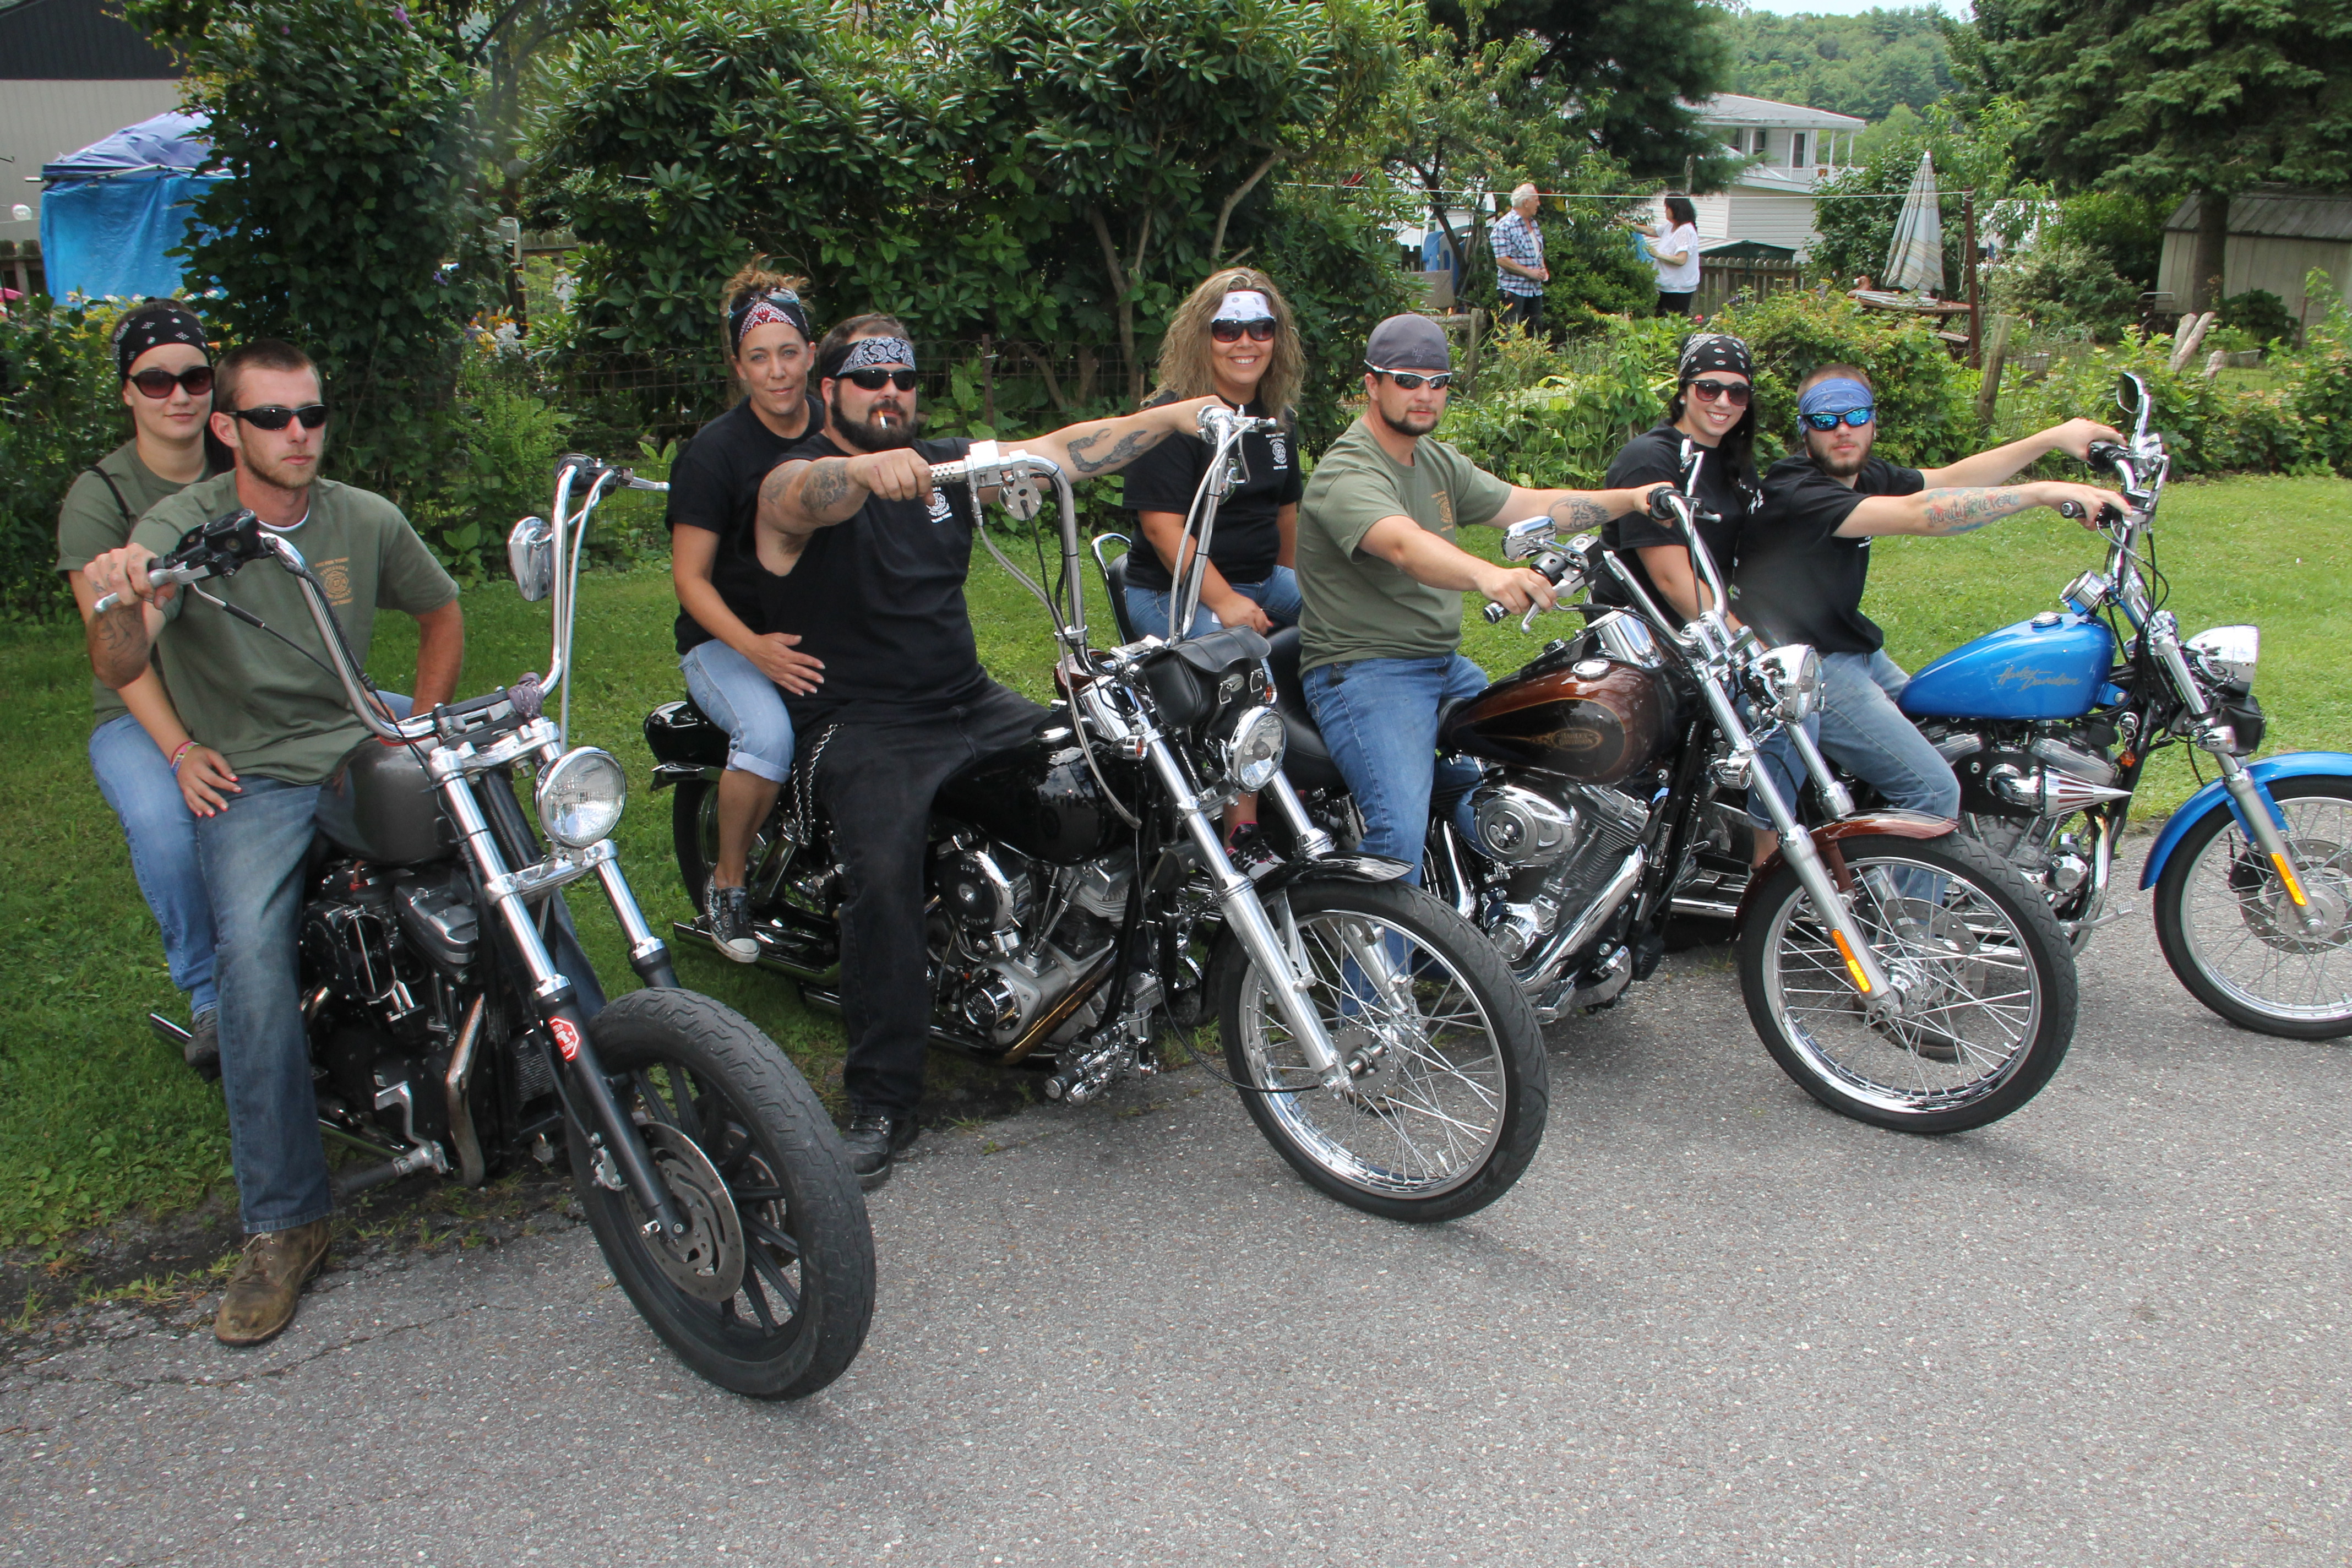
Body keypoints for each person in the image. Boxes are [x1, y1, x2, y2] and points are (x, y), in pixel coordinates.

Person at [753, 318, 1224, 1186]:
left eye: (902, 378)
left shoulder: (943, 467)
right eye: (867, 379)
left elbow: (1063, 452)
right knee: (882, 879)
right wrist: (861, 472)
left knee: (1114, 775)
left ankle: (1113, 990)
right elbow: (795, 499)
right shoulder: (800, 472)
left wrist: (1175, 416)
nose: (889, 393)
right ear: (828, 391)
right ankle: (882, 1098)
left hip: (966, 699)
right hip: (864, 723)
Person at [83, 339, 463, 1348]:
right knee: (249, 956)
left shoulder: (362, 516)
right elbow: (120, 659)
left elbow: (440, 612)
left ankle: (607, 1084)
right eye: (270, 417)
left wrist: (417, 730)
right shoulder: (177, 526)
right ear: (227, 429)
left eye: (311, 413)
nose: (297, 432)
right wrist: (123, 608)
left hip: (358, 736)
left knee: (501, 848)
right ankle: (288, 1221)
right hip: (252, 770)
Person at [1293, 314, 1668, 881]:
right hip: (1367, 670)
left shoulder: (1435, 461)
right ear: (1372, 383)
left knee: (1538, 767)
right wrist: (1487, 576)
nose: (1424, 395)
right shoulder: (1347, 471)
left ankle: (1498, 908)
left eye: (1438, 382)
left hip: (1441, 665)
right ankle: (1374, 942)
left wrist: (1633, 499)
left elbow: (1528, 505)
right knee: (1396, 837)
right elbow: (1404, 546)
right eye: (1407, 381)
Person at [1736, 363, 2126, 859]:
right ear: (1804, 428)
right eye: (1825, 419)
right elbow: (1922, 515)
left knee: (1956, 734)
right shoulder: (1797, 489)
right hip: (1808, 667)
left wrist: (2051, 438)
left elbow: (1950, 481)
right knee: (1933, 792)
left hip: (1850, 649)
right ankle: (1908, 907)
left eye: (1856, 415)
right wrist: (2041, 493)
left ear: (1873, 421)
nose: (1842, 430)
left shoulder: (1862, 475)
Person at [55, 301, 228, 1071]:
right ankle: (210, 994)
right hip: (143, 708)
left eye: (195, 377)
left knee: (410, 750)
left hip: (244, 689)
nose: (179, 395)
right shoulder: (100, 497)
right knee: (166, 821)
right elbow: (119, 660)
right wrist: (181, 750)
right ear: (127, 391)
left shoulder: (246, 462)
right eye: (156, 381)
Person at [667, 264, 827, 961]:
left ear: (812, 354)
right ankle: (728, 883)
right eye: (759, 358)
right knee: (767, 737)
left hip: (818, 627)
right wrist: (755, 647)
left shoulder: (838, 429)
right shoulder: (714, 454)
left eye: (789, 352)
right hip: (725, 641)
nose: (778, 371)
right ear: (738, 367)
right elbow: (690, 580)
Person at [1120, 266, 1307, 852]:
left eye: (1260, 328)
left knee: (1353, 620)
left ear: (1277, 337)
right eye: (1228, 329)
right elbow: (1161, 529)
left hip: (1262, 580)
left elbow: (1286, 516)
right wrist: (1226, 602)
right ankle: (1242, 834)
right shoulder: (1171, 417)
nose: (1245, 342)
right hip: (1172, 593)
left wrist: (1292, 589)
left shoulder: (1275, 419)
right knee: (1243, 667)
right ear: (1202, 336)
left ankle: (1318, 764)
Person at [1597, 331, 1759, 626]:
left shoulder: (1736, 461)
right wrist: (1745, 644)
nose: (1724, 402)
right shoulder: (1649, 460)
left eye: (1738, 392)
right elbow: (1673, 583)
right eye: (1708, 389)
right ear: (1683, 392)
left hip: (1708, 627)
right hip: (1651, 634)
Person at [1488, 183, 1549, 336]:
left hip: (1534, 290)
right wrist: (1529, 273)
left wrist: (1543, 269)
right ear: (1526, 202)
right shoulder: (1504, 226)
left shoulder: (1533, 224)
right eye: (1536, 200)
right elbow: (1502, 260)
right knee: (1509, 335)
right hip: (1513, 290)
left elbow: (1538, 252)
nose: (1539, 204)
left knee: (1535, 335)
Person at [1635, 195, 1702, 317]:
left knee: (1672, 323)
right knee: (1660, 321)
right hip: (1666, 286)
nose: (1665, 211)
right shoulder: (1670, 226)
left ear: (1675, 210)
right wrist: (1627, 225)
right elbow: (1652, 231)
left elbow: (1681, 260)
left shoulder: (1685, 231)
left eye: (1667, 208)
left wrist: (1658, 255)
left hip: (1678, 289)